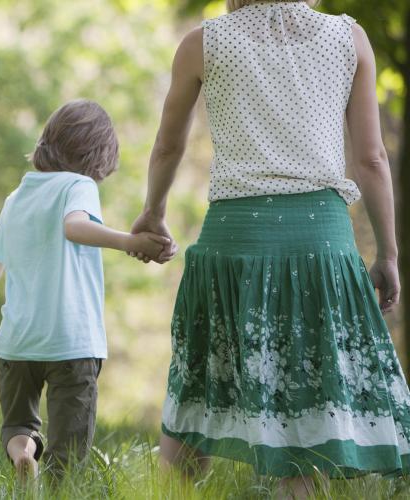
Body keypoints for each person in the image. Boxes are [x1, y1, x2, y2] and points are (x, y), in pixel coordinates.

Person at [130, 0, 409, 496]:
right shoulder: (350, 39)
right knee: (306, 399)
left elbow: (168, 146)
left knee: (199, 387)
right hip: (320, 243)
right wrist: (387, 254)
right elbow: (371, 157)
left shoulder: (202, 43)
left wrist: (153, 212)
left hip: (232, 242)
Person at [0, 100, 170, 477]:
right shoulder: (78, 185)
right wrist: (131, 242)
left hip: (17, 344)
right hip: (71, 341)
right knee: (70, 446)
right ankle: (60, 486)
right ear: (99, 153)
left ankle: (22, 454)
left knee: (17, 425)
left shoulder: (18, 197)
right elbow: (74, 227)